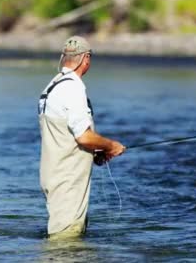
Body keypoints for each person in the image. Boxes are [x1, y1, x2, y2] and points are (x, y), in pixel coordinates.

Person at [38, 35, 126, 239]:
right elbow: (83, 136)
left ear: (64, 57)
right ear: (86, 58)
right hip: (68, 180)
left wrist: (96, 152)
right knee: (65, 244)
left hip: (53, 174)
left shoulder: (53, 86)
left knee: (64, 240)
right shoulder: (74, 88)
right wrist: (111, 145)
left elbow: (64, 135)